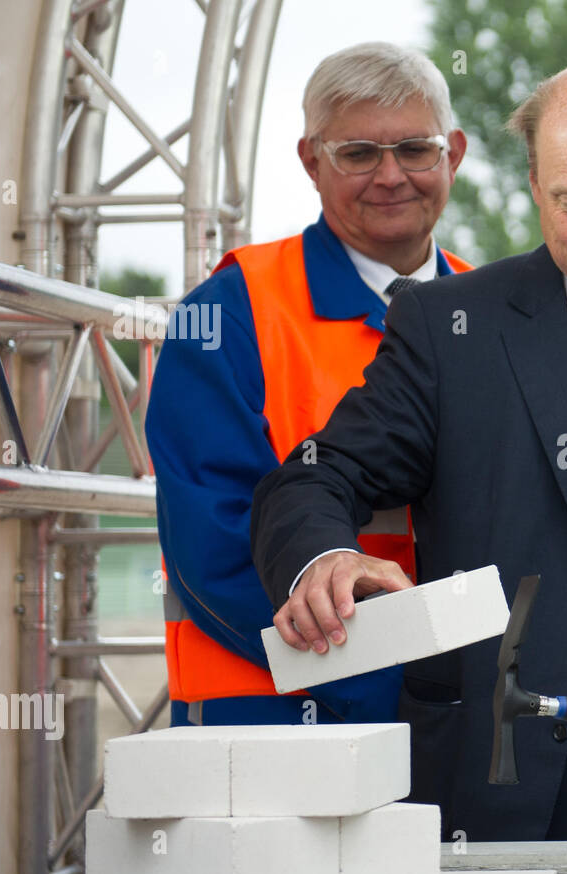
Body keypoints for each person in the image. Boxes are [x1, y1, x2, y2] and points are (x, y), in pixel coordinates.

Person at [251, 58, 567, 841]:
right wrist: (323, 557)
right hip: (519, 763)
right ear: (534, 185)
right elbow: (317, 477)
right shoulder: (450, 327)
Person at [147, 42, 469, 728]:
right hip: (273, 723)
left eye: (416, 148)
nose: (390, 176)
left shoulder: (494, 308)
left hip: (465, 722)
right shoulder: (230, 311)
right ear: (310, 161)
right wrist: (404, 679)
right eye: (357, 153)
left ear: (455, 154)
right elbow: (215, 541)